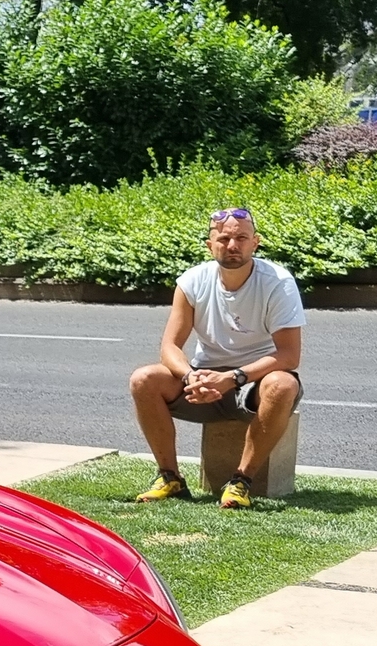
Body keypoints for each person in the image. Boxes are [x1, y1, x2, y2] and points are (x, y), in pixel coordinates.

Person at [126, 207, 304, 509]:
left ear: (255, 242)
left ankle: (241, 482)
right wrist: (189, 376)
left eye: (241, 238)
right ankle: (169, 477)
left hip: (253, 383)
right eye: (223, 238)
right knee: (144, 379)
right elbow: (170, 346)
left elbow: (289, 354)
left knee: (282, 385)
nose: (232, 245)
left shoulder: (278, 282)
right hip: (203, 380)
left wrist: (232, 378)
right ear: (210, 245)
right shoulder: (192, 281)